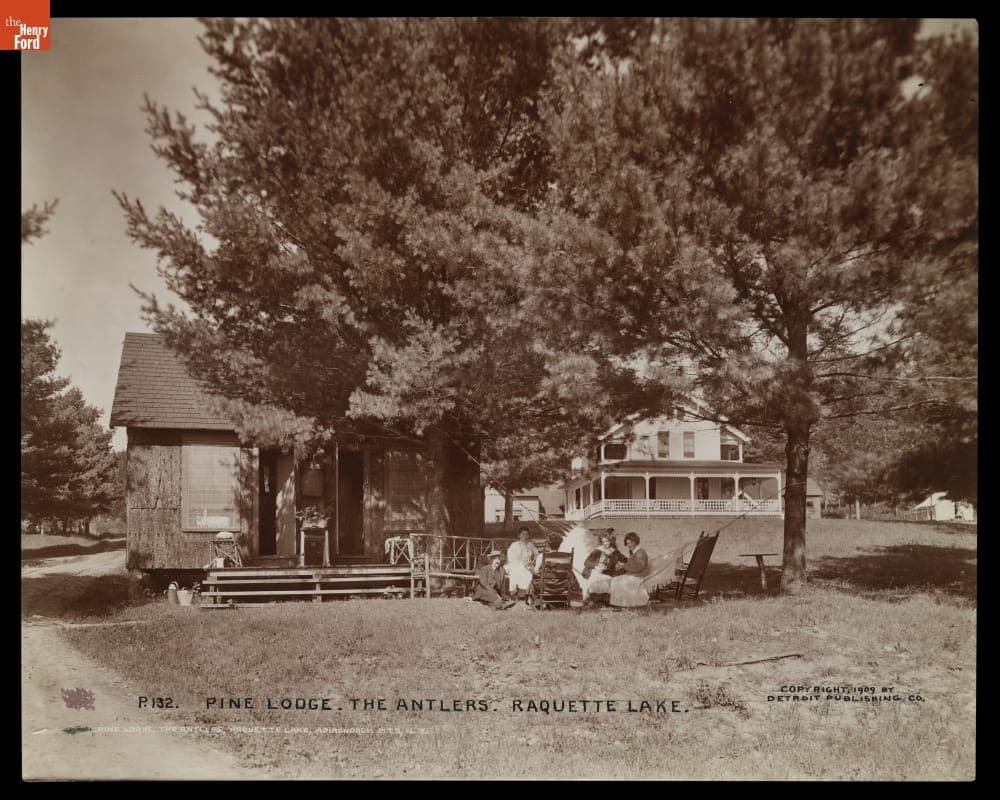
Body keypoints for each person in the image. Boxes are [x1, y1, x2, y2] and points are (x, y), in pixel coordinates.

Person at [581, 531, 625, 605]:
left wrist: (622, 563)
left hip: (607, 572)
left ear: (611, 541)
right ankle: (592, 600)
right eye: (603, 542)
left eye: (607, 541)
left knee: (607, 580)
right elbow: (586, 562)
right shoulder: (597, 551)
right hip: (595, 571)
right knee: (595, 580)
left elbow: (624, 559)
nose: (605, 543)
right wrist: (596, 566)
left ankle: (604, 601)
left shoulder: (615, 552)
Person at [610, 532, 651, 608]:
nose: (628, 545)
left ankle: (625, 604)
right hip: (633, 574)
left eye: (630, 543)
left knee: (619, 581)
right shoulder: (634, 552)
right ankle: (622, 603)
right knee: (615, 580)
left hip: (639, 575)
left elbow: (639, 567)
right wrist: (622, 566)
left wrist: (623, 566)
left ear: (635, 542)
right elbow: (632, 564)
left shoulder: (640, 552)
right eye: (627, 543)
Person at [506, 526, 540, 605]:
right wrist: (518, 563)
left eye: (527, 534)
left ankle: (526, 594)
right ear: (519, 536)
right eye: (523, 534)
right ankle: (515, 594)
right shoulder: (514, 545)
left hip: (526, 566)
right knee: (517, 572)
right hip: (515, 565)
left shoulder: (530, 545)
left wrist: (533, 561)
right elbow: (510, 557)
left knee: (528, 573)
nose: (525, 536)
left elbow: (537, 554)